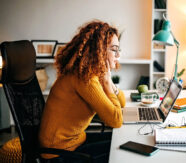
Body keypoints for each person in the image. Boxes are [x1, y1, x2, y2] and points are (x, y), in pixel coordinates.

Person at [38, 20, 126, 163]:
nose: (118, 55)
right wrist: (108, 82)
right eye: (114, 49)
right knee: (122, 151)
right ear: (99, 50)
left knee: (121, 142)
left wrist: (109, 82)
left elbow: (121, 103)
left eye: (118, 50)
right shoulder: (85, 78)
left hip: (75, 141)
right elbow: (116, 120)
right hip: (58, 153)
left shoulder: (92, 72)